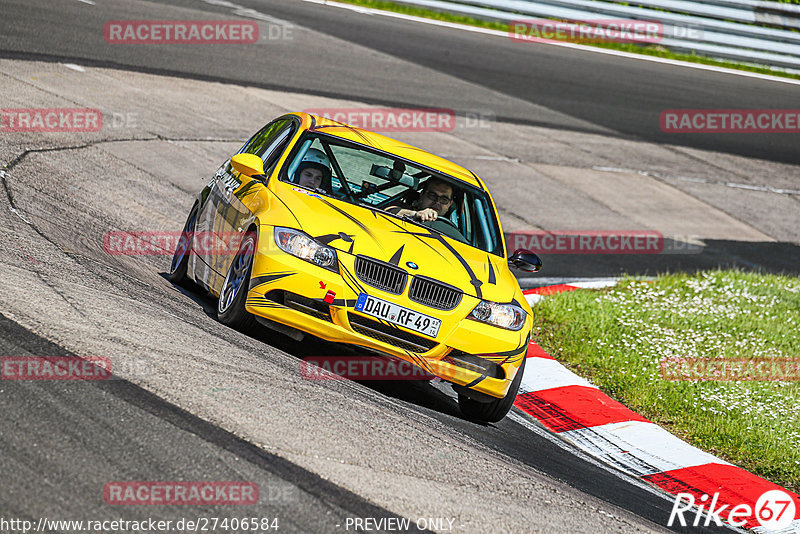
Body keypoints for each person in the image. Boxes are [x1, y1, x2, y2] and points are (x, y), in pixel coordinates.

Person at [388, 178, 455, 222]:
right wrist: (415, 214)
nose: (437, 202)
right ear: (422, 195)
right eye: (432, 195)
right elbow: (389, 211)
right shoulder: (407, 209)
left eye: (444, 199)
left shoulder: (453, 231)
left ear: (450, 204)